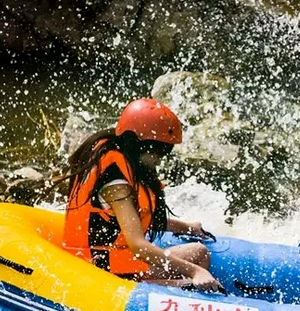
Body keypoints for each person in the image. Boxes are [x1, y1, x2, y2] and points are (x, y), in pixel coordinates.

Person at [60, 98, 223, 292]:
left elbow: (134, 219)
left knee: (200, 252)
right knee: (192, 287)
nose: (160, 158)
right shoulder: (115, 184)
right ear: (138, 143)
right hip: (101, 269)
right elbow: (138, 245)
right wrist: (195, 272)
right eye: (159, 150)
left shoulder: (126, 157)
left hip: (123, 260)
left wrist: (185, 227)